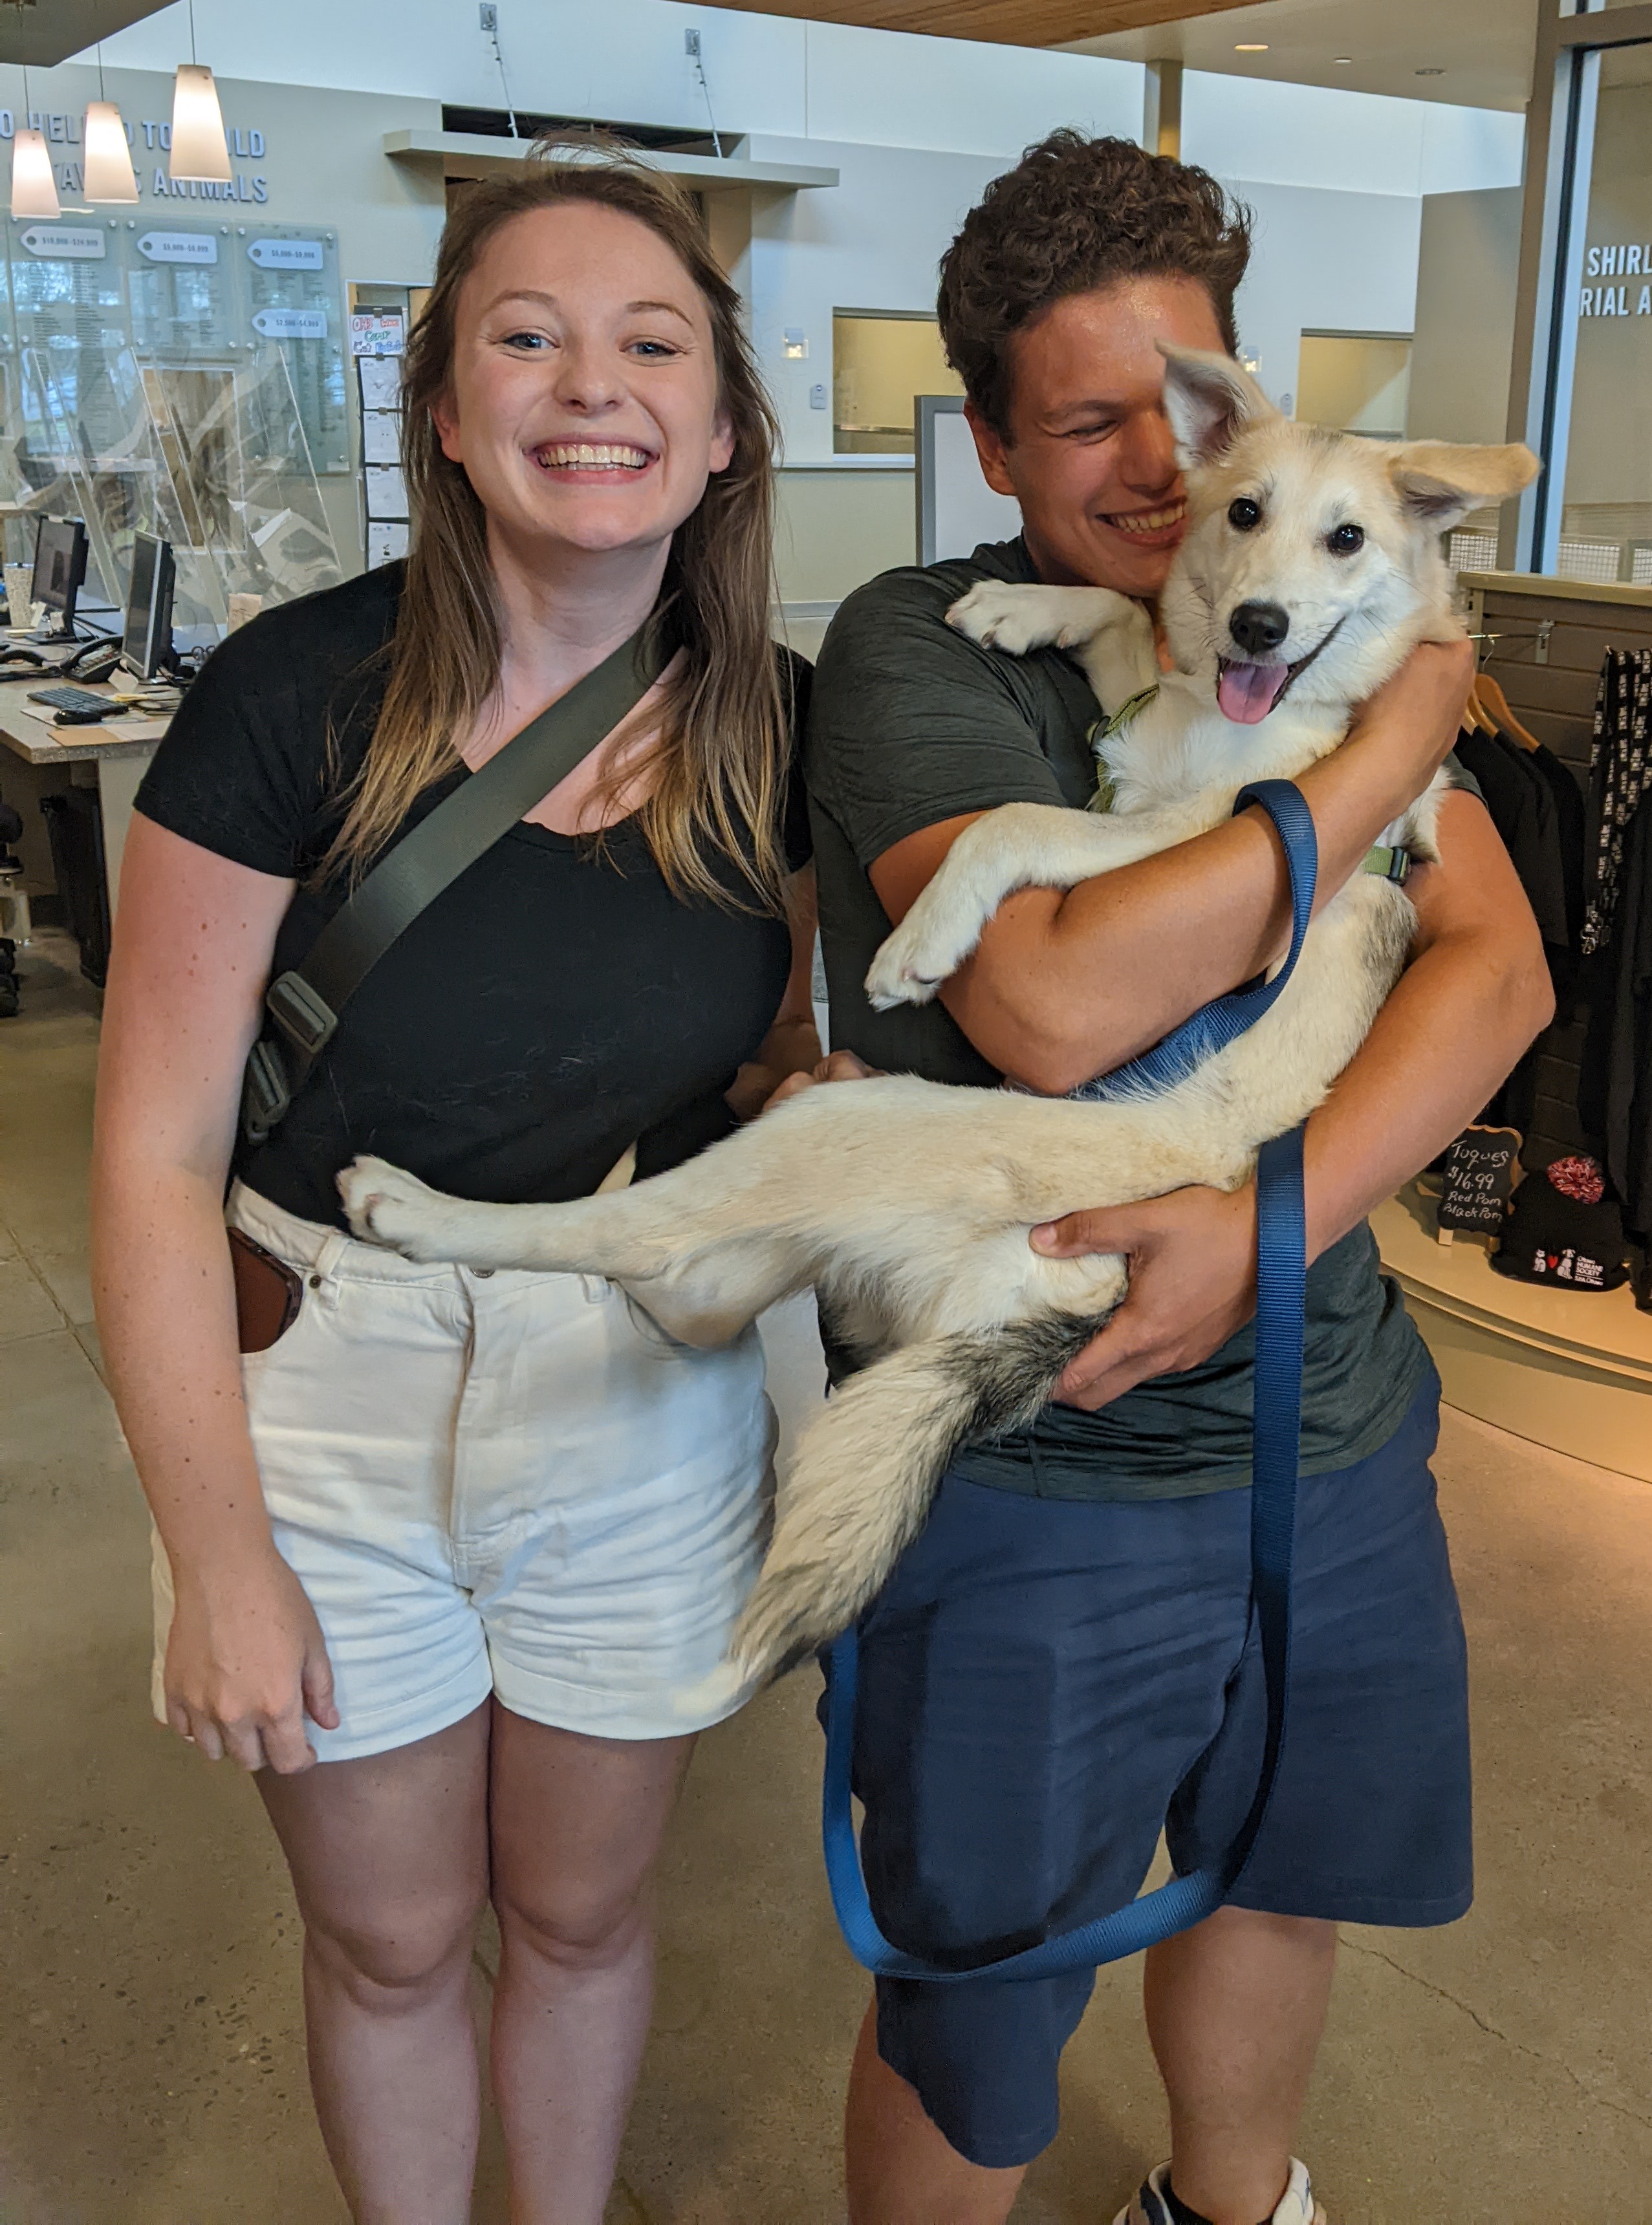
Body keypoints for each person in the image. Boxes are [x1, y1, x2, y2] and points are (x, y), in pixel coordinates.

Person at [798, 131, 1554, 2225]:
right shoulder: (924, 648)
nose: (1160, 463)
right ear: (990, 442)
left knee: (1274, 1875)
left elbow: (1500, 972)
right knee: (979, 1981)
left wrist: (1273, 1238)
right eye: (1090, 417)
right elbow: (1047, 1001)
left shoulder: (1311, 615)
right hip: (1042, 1467)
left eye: (1192, 396)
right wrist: (1389, 766)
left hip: (1328, 1417)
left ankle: (1221, 2211)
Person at [91, 155, 818, 2225]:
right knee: (395, 1938)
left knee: (582, 1923)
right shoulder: (289, 698)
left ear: (727, 423)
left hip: (640, 1395)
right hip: (323, 1387)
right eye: (529, 336)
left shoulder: (784, 727)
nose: (593, 386)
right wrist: (216, 1556)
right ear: (441, 404)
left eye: (650, 342)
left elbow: (776, 1056)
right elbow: (151, 1157)